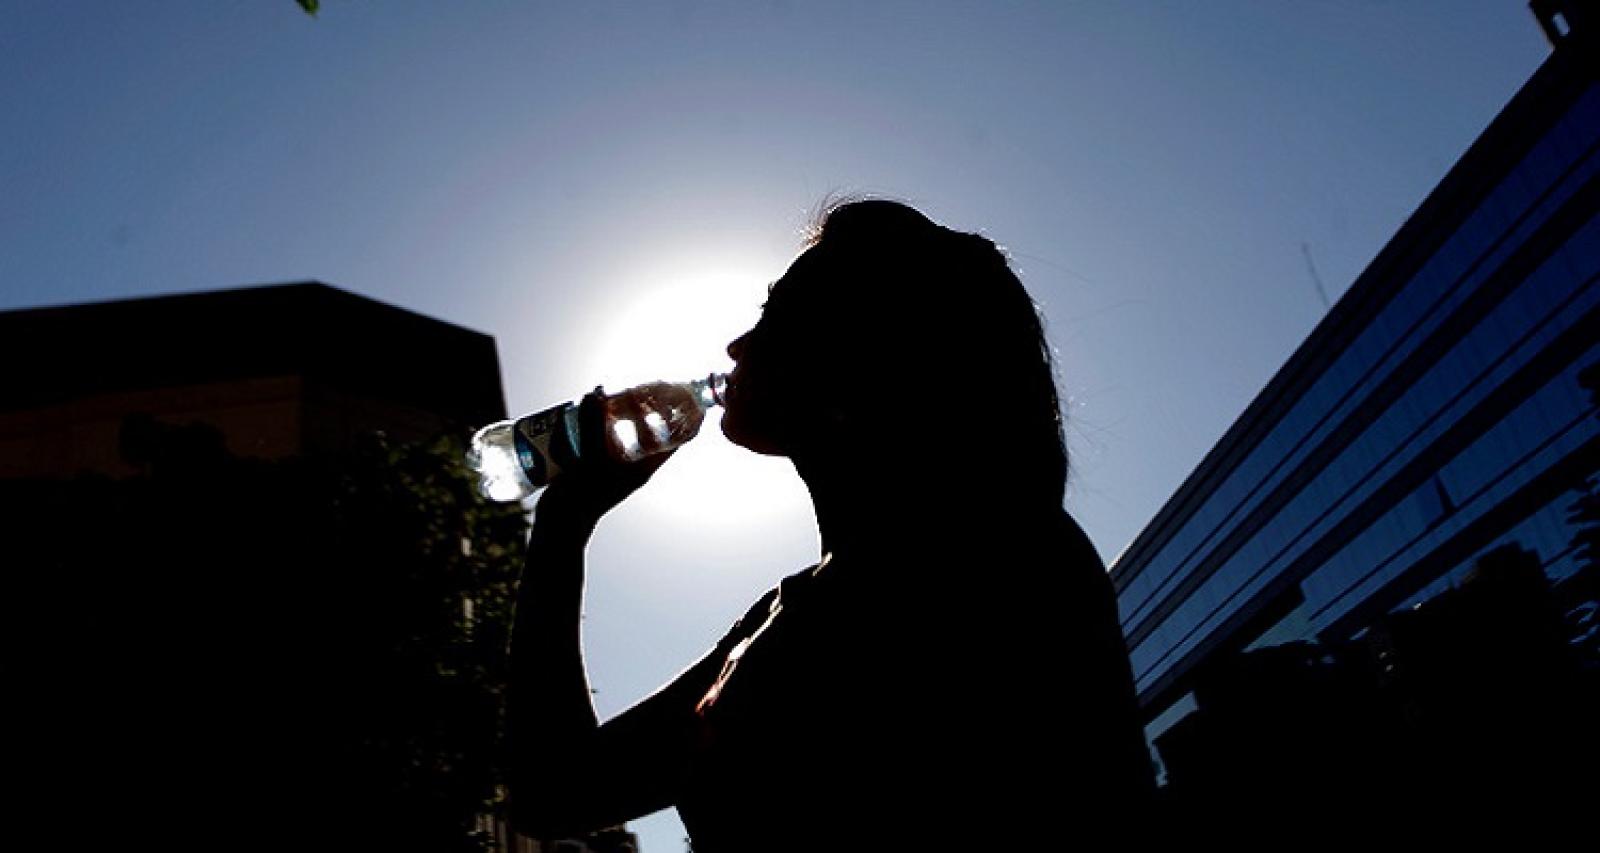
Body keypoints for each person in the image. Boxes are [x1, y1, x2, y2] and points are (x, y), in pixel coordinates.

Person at [508, 200, 1154, 851]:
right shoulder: (788, 614)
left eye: (773, 317)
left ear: (862, 360)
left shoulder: (1002, 559)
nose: (736, 347)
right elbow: (554, 792)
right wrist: (566, 521)